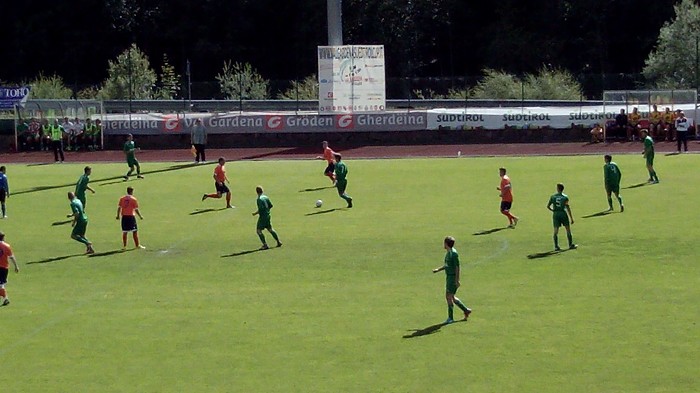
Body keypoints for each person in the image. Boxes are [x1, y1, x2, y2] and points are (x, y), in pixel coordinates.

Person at [432, 236, 471, 324]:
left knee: (448, 296)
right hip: (449, 277)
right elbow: (447, 265)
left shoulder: (453, 254)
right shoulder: (448, 253)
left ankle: (451, 317)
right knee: (451, 297)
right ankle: (466, 310)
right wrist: (438, 269)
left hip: (452, 278)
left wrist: (457, 280)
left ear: (446, 244)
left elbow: (457, 267)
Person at [546, 183, 577, 251]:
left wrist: (553, 210)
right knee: (568, 229)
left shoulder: (553, 197)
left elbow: (548, 206)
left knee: (555, 231)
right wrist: (571, 218)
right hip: (563, 214)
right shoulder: (565, 197)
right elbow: (567, 207)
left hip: (556, 214)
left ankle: (556, 246)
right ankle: (570, 244)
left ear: (557, 189)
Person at [252, 186, 282, 250]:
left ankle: (265, 245)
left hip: (263, 217)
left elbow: (261, 209)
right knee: (270, 229)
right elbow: (271, 206)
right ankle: (278, 241)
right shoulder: (266, 197)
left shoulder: (259, 199)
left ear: (256, 192)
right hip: (268, 215)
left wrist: (255, 213)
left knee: (258, 231)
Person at [0, 231, 20, 307]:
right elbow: (12, 257)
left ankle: (6, 299)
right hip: (4, 268)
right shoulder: (7, 246)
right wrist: (16, 266)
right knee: (1, 284)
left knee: (1, 285)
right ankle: (5, 299)